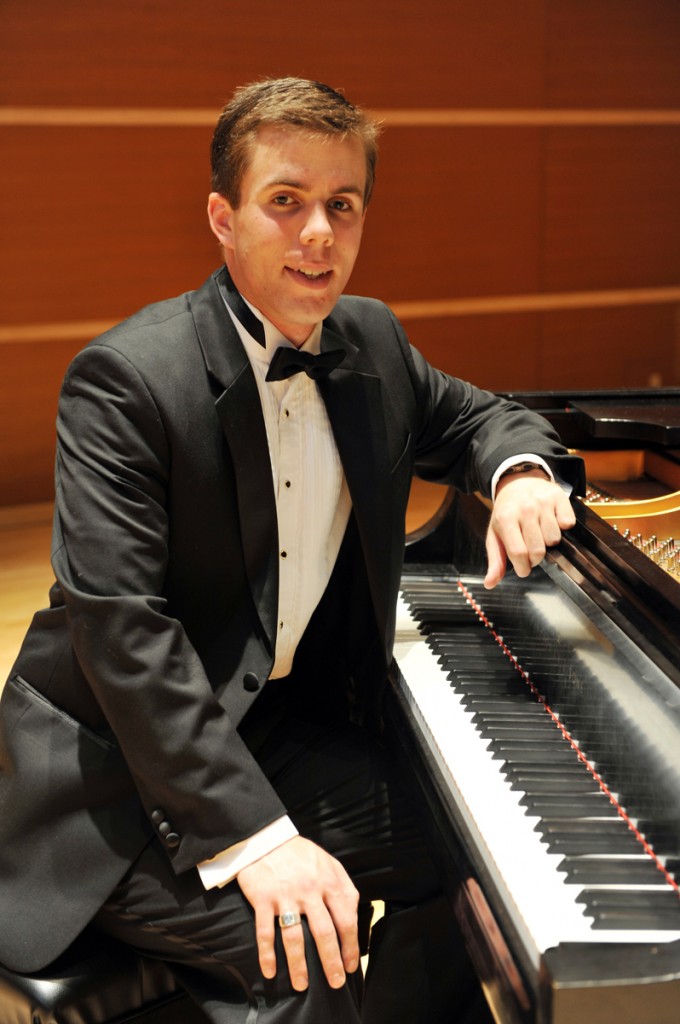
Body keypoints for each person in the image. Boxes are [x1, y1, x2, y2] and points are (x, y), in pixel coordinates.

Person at [0, 77, 583, 1023]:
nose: (320, 232)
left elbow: (482, 417)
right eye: (287, 201)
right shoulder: (125, 382)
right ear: (224, 219)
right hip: (107, 782)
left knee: (475, 852)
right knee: (305, 947)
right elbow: (125, 640)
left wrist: (517, 473)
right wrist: (255, 835)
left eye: (342, 205)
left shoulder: (372, 342)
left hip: (261, 728)